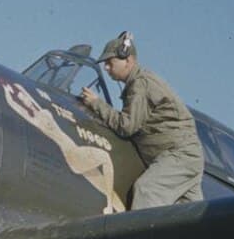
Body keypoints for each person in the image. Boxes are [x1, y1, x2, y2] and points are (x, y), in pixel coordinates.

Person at [78, 32, 205, 209]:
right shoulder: (140, 81)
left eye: (110, 62)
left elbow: (127, 126)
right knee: (189, 220)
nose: (106, 68)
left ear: (128, 60)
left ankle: (140, 238)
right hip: (186, 157)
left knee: (147, 190)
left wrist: (96, 103)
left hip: (178, 155)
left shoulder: (140, 84)